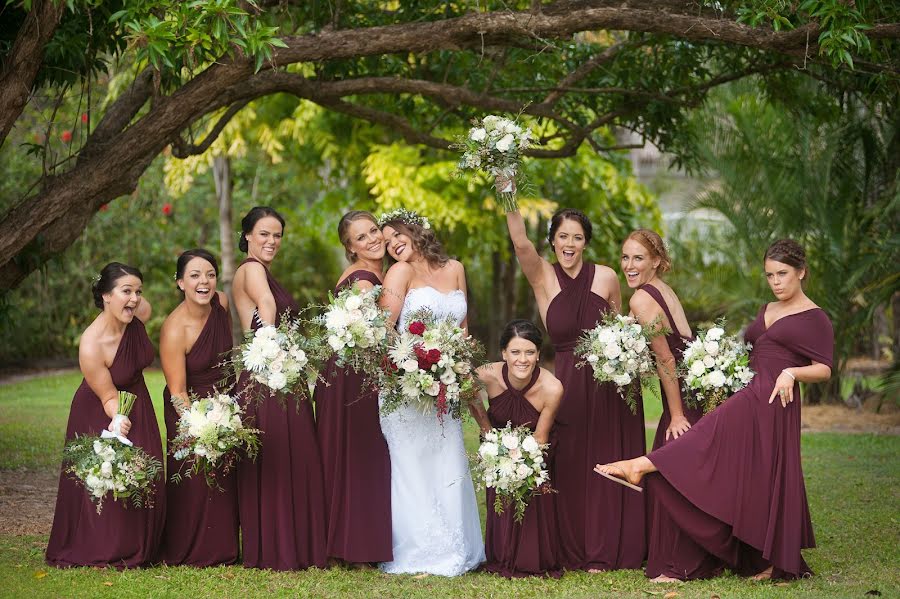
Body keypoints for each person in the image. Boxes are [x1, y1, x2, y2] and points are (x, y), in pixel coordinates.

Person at [595, 239, 834, 581]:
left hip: (773, 399)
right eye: (769, 275)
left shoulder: (815, 318)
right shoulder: (767, 308)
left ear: (801, 272)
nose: (776, 282)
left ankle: (641, 465)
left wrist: (791, 373)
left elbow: (824, 368)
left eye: (782, 274)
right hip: (748, 390)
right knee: (748, 476)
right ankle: (762, 559)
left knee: (703, 439)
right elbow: (745, 350)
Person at [503, 193, 645, 571]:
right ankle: (573, 547)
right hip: (567, 384)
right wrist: (507, 189)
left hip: (611, 385)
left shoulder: (607, 277)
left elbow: (622, 327)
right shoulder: (543, 276)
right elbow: (520, 241)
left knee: (607, 458)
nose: (570, 244)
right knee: (570, 463)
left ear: (586, 242)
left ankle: (608, 548)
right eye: (563, 236)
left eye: (577, 237)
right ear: (552, 240)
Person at [376, 208, 485, 576]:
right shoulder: (400, 272)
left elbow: (464, 329)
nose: (392, 245)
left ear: (415, 230)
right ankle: (419, 550)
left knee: (448, 459)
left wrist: (457, 366)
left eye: (396, 235)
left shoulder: (454, 267)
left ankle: (458, 545)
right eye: (387, 242)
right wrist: (414, 365)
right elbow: (385, 330)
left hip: (447, 385)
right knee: (412, 466)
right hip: (406, 387)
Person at [46, 262, 164, 568]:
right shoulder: (91, 343)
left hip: (138, 400)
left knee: (145, 469)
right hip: (102, 409)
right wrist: (118, 419)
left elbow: (145, 309)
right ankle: (110, 545)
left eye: (138, 291)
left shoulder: (137, 311)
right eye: (126, 291)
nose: (135, 298)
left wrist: (133, 296)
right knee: (110, 478)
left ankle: (144, 542)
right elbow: (108, 395)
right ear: (105, 296)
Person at [232, 206, 327, 571]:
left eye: (277, 235)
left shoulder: (261, 270)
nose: (271, 241)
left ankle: (294, 545)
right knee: (280, 460)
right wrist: (272, 350)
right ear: (247, 236)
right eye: (264, 234)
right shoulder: (251, 269)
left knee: (293, 457)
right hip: (267, 374)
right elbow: (266, 305)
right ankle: (281, 547)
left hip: (281, 373)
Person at [314, 211, 392, 567]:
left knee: (355, 456)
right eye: (362, 237)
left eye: (374, 230)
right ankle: (355, 548)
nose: (373, 239)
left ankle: (345, 545)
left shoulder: (379, 273)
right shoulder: (363, 281)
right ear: (350, 247)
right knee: (358, 457)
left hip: (353, 372)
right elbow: (366, 335)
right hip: (353, 377)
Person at [157, 249, 239, 566]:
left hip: (225, 401)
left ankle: (224, 548)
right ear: (180, 283)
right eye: (194, 275)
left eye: (209, 274)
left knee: (225, 476)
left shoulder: (222, 302)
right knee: (193, 479)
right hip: (189, 409)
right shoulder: (174, 329)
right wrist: (201, 428)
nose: (204, 281)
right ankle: (188, 548)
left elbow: (226, 356)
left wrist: (228, 409)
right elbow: (177, 392)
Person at [472, 319, 563, 578]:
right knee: (500, 495)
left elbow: (541, 438)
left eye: (530, 352)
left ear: (538, 355)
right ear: (503, 354)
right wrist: (487, 432)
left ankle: (530, 554)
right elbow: (468, 392)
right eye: (515, 352)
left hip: (537, 451)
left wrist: (520, 463)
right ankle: (500, 553)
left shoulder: (552, 387)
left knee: (530, 494)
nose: (522, 359)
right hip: (497, 447)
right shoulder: (486, 374)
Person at [620, 229, 703, 450]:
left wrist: (677, 416)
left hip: (683, 393)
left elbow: (666, 359)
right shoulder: (661, 289)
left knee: (670, 464)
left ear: (656, 261)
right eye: (625, 257)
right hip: (694, 382)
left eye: (638, 258)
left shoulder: (642, 298)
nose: (629, 265)